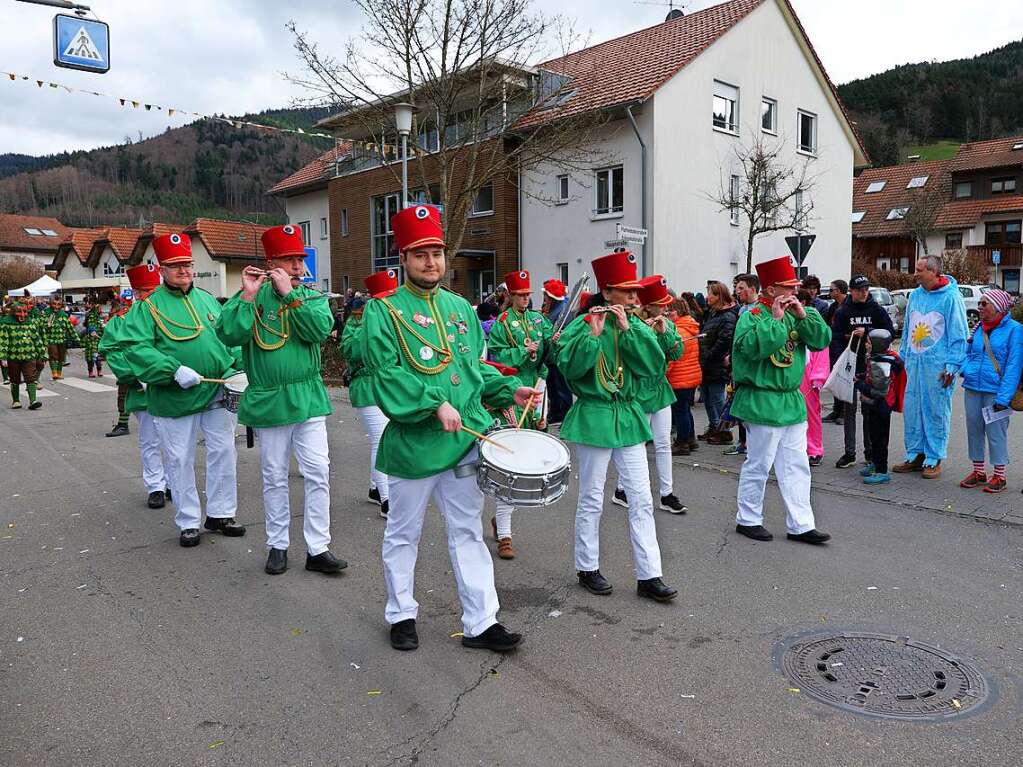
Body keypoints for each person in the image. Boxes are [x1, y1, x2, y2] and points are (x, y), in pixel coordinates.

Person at [362, 204, 538, 653]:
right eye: (420, 254)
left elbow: (473, 370)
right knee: (404, 533)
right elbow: (386, 375)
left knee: (467, 532)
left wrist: (507, 390)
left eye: (437, 253)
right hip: (415, 445)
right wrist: (432, 403)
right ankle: (401, 613)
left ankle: (482, 622)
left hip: (463, 441)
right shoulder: (383, 312)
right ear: (402, 258)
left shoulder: (461, 308)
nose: (431, 262)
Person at [215, 225, 344, 575]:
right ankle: (278, 545)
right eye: (290, 260)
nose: (298, 267)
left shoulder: (310, 297)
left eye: (300, 259)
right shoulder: (252, 297)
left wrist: (291, 295)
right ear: (272, 262)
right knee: (274, 475)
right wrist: (246, 296)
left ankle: (318, 547)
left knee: (318, 472)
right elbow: (229, 334)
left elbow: (319, 331)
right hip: (270, 399)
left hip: (308, 397)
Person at [557, 250, 678, 603]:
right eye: (627, 292)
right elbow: (570, 369)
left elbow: (654, 366)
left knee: (641, 497)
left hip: (627, 415)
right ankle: (587, 566)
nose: (634, 299)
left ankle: (649, 574)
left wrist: (629, 331)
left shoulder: (636, 324)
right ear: (607, 292)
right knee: (592, 496)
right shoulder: (583, 324)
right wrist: (594, 336)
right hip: (594, 414)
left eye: (635, 292)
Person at [117, 232, 246, 548]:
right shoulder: (147, 307)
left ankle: (220, 513)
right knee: (179, 458)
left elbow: (229, 339)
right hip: (174, 395)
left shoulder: (205, 299)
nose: (183, 270)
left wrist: (237, 368)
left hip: (216, 391)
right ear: (161, 269)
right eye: (175, 265)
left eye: (187, 263)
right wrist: (171, 370)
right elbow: (134, 348)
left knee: (224, 452)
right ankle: (189, 520)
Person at [731, 256, 832, 545]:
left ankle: (801, 524)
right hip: (762, 399)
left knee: (796, 465)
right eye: (789, 286)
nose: (795, 291)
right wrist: (775, 321)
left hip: (790, 401)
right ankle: (748, 518)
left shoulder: (795, 312)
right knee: (759, 463)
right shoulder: (751, 317)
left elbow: (821, 340)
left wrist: (803, 316)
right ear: (772, 289)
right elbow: (752, 349)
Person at [486, 269, 554, 558]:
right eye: (521, 295)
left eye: (528, 295)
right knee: (510, 460)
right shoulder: (502, 323)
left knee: (529, 457)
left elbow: (552, 354)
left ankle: (502, 519)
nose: (526, 299)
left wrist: (555, 343)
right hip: (511, 391)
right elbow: (496, 358)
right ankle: (505, 533)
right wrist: (522, 352)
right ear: (510, 296)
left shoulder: (541, 320)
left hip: (537, 386)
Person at [612, 275, 686, 513]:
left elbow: (676, 353)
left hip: (660, 389)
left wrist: (665, 333)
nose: (666, 307)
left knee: (663, 443)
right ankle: (623, 489)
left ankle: (667, 494)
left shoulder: (667, 322)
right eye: (661, 303)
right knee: (637, 443)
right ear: (647, 304)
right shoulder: (632, 322)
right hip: (638, 390)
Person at [99, 264, 170, 508]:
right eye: (147, 291)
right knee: (151, 440)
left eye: (155, 290)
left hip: (173, 389)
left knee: (174, 441)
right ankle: (156, 486)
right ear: (137, 294)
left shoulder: (172, 313)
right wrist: (138, 375)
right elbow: (110, 349)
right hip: (143, 390)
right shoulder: (121, 321)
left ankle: (172, 482)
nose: (152, 295)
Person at [892, 256, 969, 479]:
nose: (915, 273)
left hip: (938, 367)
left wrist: (952, 367)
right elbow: (908, 329)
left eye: (919, 270)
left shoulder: (951, 298)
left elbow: (959, 335)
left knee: (935, 411)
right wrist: (904, 356)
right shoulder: (915, 295)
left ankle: (934, 457)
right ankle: (916, 454)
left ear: (934, 272)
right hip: (915, 365)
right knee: (913, 409)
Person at [341, 270, 399, 519]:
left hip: (393, 386)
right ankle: (387, 500)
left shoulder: (401, 317)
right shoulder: (357, 322)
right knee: (381, 439)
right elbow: (351, 352)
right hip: (367, 385)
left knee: (387, 438)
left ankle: (376, 488)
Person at [957, 289, 1022, 494]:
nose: (980, 307)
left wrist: (1004, 397)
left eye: (985, 303)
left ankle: (1000, 475)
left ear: (998, 307)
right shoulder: (978, 329)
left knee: (996, 433)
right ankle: (978, 472)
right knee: (974, 429)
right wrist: (966, 369)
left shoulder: (1015, 330)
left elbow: (1014, 365)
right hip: (973, 387)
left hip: (996, 391)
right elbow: (967, 353)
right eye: (980, 303)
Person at [830, 275, 893, 469]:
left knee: (869, 410)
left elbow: (888, 332)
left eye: (866, 289)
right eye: (859, 289)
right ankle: (850, 452)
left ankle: (870, 453)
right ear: (852, 291)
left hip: (871, 366)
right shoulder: (843, 312)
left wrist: (866, 334)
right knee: (849, 411)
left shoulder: (876, 309)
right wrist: (837, 362)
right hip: (850, 365)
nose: (864, 292)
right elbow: (836, 338)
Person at [856, 329, 904, 486]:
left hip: (880, 405)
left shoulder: (882, 363)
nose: (866, 344)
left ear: (877, 344)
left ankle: (882, 471)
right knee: (873, 436)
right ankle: (875, 464)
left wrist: (859, 384)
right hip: (876, 405)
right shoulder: (879, 359)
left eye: (869, 342)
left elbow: (878, 390)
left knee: (879, 439)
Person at [698, 281, 738, 444]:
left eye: (711, 294)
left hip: (716, 365)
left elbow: (724, 341)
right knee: (707, 397)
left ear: (719, 296)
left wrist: (709, 357)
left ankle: (724, 430)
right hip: (708, 364)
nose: (708, 297)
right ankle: (714, 426)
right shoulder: (713, 313)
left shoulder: (727, 316)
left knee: (717, 397)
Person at [798, 289, 830, 467]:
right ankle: (799, 447)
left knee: (812, 414)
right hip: (794, 374)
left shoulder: (814, 320)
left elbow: (822, 349)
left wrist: (818, 376)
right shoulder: (791, 321)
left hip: (808, 376)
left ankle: (815, 449)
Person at [668, 296, 702, 456]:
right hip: (690, 375)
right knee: (686, 410)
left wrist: (662, 371)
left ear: (678, 311)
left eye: (671, 311)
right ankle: (690, 438)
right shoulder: (690, 327)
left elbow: (673, 358)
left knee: (680, 411)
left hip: (679, 376)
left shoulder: (678, 331)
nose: (668, 315)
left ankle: (682, 442)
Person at [0, 301, 46, 410]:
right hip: (13, 357)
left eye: (24, 312)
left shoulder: (30, 323)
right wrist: (3, 356)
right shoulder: (6, 323)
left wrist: (42, 354)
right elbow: (3, 341)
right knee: (15, 379)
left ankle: (33, 401)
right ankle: (16, 401)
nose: (22, 315)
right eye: (19, 312)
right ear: (13, 312)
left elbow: (36, 339)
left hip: (29, 356)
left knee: (30, 377)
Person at [541, 278, 573, 425]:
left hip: (559, 355)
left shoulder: (564, 311)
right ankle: (555, 413)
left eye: (546, 295)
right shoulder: (552, 308)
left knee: (562, 388)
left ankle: (566, 416)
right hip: (550, 356)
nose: (545, 299)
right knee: (553, 387)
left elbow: (566, 333)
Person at [104, 297, 136, 438]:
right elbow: (110, 344)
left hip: (141, 362)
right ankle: (123, 424)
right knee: (125, 393)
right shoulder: (117, 321)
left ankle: (123, 424)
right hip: (129, 362)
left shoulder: (140, 316)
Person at [822, 279, 849, 424]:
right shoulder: (832, 307)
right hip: (834, 348)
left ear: (838, 291)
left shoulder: (849, 306)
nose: (830, 292)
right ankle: (837, 409)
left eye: (831, 290)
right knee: (835, 379)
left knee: (844, 380)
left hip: (846, 349)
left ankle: (845, 412)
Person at [42, 297, 74, 381]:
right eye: (54, 304)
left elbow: (69, 327)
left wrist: (76, 338)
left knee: (61, 357)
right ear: (51, 304)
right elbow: (43, 327)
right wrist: (49, 322)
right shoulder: (46, 313)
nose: (56, 306)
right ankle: (54, 373)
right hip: (51, 339)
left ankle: (59, 373)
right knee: (53, 355)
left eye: (58, 304)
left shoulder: (64, 314)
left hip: (62, 339)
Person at [82, 296, 105, 378]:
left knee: (97, 355)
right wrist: (94, 332)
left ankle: (99, 370)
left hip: (98, 339)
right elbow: (92, 328)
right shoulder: (92, 315)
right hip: (92, 339)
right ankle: (91, 371)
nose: (101, 309)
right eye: (99, 307)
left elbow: (101, 328)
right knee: (91, 356)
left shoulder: (98, 317)